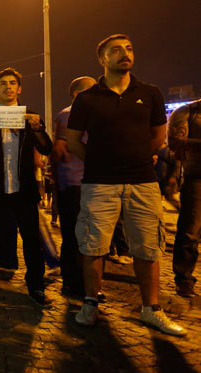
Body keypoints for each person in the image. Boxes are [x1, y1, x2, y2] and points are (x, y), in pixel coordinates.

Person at [66, 34, 185, 336]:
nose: (125, 54)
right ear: (102, 60)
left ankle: (151, 309)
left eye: (129, 49)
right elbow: (72, 141)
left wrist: (136, 159)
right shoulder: (87, 98)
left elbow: (158, 137)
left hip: (143, 182)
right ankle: (90, 303)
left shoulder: (150, 93)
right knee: (93, 246)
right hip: (99, 184)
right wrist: (98, 163)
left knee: (148, 247)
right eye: (116, 50)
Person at [0, 68, 52, 306]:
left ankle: (36, 287)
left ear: (19, 89)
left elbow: (46, 148)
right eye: (3, 84)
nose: (8, 87)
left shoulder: (31, 116)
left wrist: (37, 129)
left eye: (12, 83)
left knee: (32, 241)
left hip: (23, 189)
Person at [52, 76, 97, 296]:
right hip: (73, 185)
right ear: (78, 94)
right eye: (92, 90)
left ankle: (86, 283)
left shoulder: (91, 115)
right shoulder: (69, 114)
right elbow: (58, 150)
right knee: (73, 236)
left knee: (89, 237)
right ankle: (72, 282)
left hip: (89, 184)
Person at [169, 98, 201, 297]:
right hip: (197, 177)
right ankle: (184, 279)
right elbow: (175, 141)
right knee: (190, 230)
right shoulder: (188, 111)